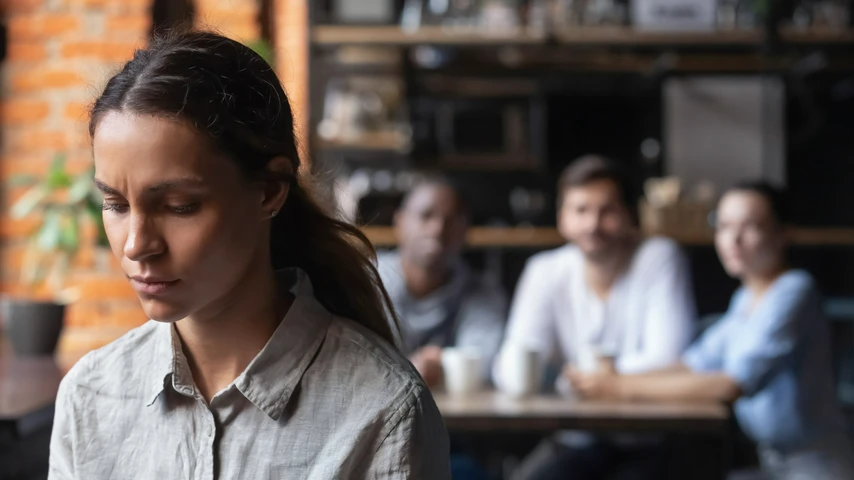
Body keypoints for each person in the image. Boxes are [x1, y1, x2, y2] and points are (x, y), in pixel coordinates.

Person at [48, 31, 450, 479]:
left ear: (269, 192)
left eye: (179, 206)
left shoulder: (381, 411)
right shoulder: (90, 395)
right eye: (116, 205)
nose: (136, 244)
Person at [570, 182, 854, 479]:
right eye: (725, 226)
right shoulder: (745, 299)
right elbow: (692, 363)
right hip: (772, 463)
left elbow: (732, 384)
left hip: (817, 468)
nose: (734, 240)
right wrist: (610, 379)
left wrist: (619, 388)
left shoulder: (794, 291)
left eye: (751, 227)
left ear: (783, 234)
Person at [494, 155, 696, 480]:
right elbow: (513, 362)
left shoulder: (659, 256)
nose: (593, 224)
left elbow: (670, 357)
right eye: (581, 210)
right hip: (575, 437)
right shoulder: (545, 270)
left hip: (649, 437)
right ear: (562, 218)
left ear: (630, 215)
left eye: (608, 210)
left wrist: (579, 378)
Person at [377, 176, 507, 387]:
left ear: (466, 231)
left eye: (452, 220)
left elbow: (485, 362)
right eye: (426, 216)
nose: (438, 229)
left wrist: (440, 365)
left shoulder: (483, 291)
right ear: (399, 222)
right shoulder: (366, 281)